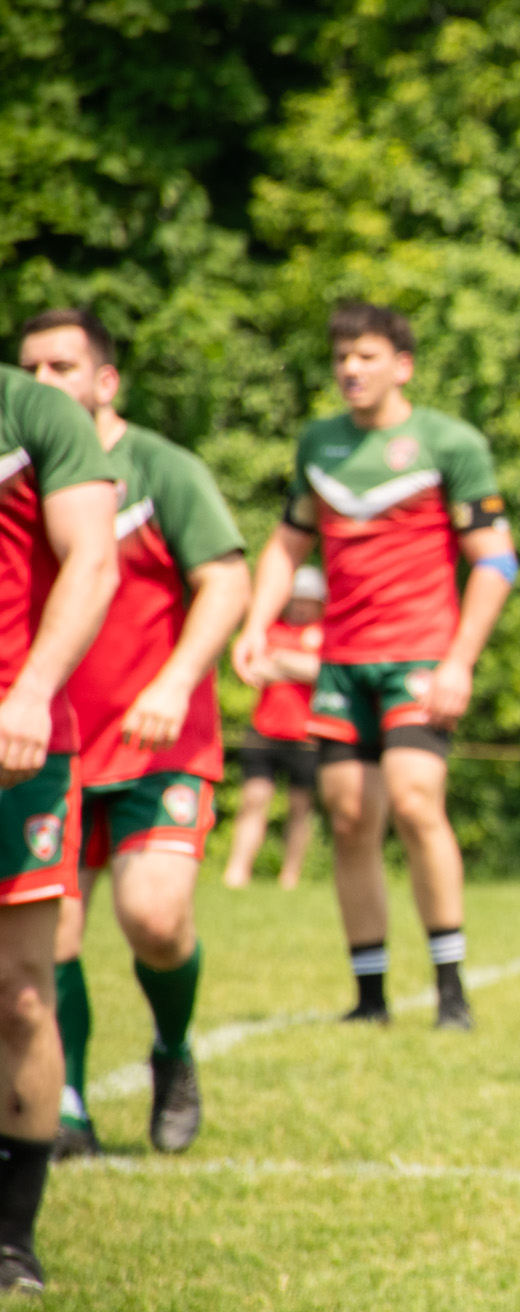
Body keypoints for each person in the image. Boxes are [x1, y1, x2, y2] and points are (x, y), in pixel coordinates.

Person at [232, 303, 517, 1031]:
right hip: (340, 662)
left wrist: (460, 661)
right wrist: (256, 623)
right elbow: (287, 544)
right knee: (351, 818)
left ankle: (451, 990)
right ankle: (370, 997)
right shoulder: (318, 443)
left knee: (417, 800)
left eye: (365, 356)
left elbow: (496, 562)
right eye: (341, 358)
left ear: (403, 365)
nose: (350, 370)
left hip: (420, 656)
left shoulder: (449, 443)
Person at [21, 310, 251, 1161]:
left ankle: (172, 1048)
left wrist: (174, 680)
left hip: (161, 739)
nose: (42, 382)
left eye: (62, 365)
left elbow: (225, 581)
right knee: (56, 939)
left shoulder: (158, 468)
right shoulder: (24, 476)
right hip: (49, 741)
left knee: (155, 920)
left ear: (105, 380)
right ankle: (69, 1100)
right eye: (30, 366)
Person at [0, 358, 119, 1291]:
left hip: (22, 739)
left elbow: (92, 556)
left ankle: (13, 1238)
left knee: (22, 990)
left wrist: (33, 691)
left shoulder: (33, 413)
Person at [223, 566, 328, 890]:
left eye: (307, 601)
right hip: (265, 730)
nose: (300, 606)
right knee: (253, 800)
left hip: (307, 734)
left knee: (300, 807)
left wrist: (280, 661)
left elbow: (321, 672)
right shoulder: (269, 628)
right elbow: (254, 668)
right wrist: (296, 665)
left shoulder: (325, 633)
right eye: (295, 599)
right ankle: (236, 873)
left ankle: (290, 878)